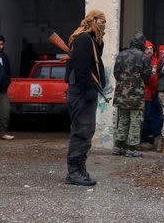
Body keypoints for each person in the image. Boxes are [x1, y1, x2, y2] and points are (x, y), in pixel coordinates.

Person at [64, 10, 106, 186]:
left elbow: (91, 64)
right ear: (93, 20)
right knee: (81, 131)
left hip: (85, 91)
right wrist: (88, 90)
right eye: (102, 21)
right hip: (81, 92)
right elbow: (82, 68)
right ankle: (74, 172)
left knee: (87, 131)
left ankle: (79, 169)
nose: (104, 25)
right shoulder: (83, 39)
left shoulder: (91, 40)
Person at [112, 32, 152, 157]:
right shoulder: (144, 57)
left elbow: (116, 73)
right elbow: (147, 77)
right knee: (135, 121)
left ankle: (118, 147)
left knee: (123, 119)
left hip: (121, 94)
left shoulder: (121, 55)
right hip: (136, 95)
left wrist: (124, 83)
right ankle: (131, 149)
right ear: (142, 44)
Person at [138, 40, 163, 151]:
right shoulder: (141, 61)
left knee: (157, 115)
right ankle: (144, 140)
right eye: (147, 49)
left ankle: (155, 137)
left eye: (151, 49)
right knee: (146, 117)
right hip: (146, 93)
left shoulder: (155, 60)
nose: (149, 51)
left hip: (155, 93)